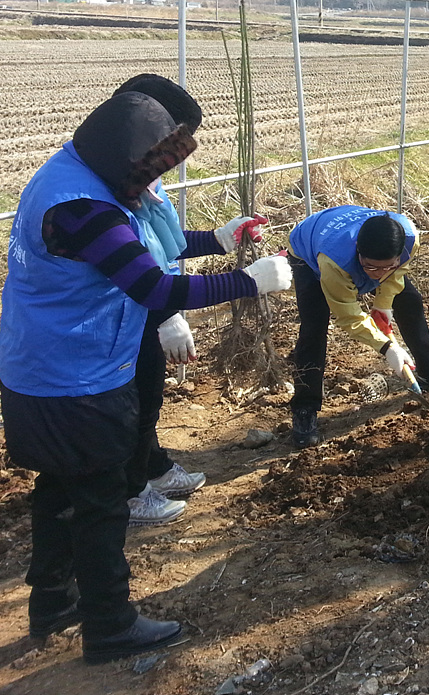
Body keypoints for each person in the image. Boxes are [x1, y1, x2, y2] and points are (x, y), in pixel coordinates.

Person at [0, 92, 292, 662]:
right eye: (149, 170)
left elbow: (139, 251)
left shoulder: (72, 172)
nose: (150, 184)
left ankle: (52, 602)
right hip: (77, 378)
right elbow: (152, 286)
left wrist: (217, 240)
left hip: (39, 368)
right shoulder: (85, 209)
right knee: (103, 503)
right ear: (126, 155)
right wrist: (249, 282)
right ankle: (110, 625)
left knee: (60, 488)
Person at [110, 75, 268, 527]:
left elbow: (164, 244)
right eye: (172, 139)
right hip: (122, 312)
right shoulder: (108, 190)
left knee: (149, 394)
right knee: (136, 399)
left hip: (138, 308)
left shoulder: (135, 176)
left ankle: (152, 468)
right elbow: (137, 268)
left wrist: (219, 239)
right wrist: (167, 313)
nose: (174, 155)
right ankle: (131, 491)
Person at [285, 205, 429, 448]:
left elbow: (397, 273)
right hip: (308, 248)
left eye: (386, 267)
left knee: (410, 299)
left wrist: (383, 303)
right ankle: (304, 410)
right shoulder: (332, 261)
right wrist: (387, 348)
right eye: (371, 267)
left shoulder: (408, 238)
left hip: (358, 242)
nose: (377, 275)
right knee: (313, 329)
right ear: (358, 253)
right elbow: (348, 315)